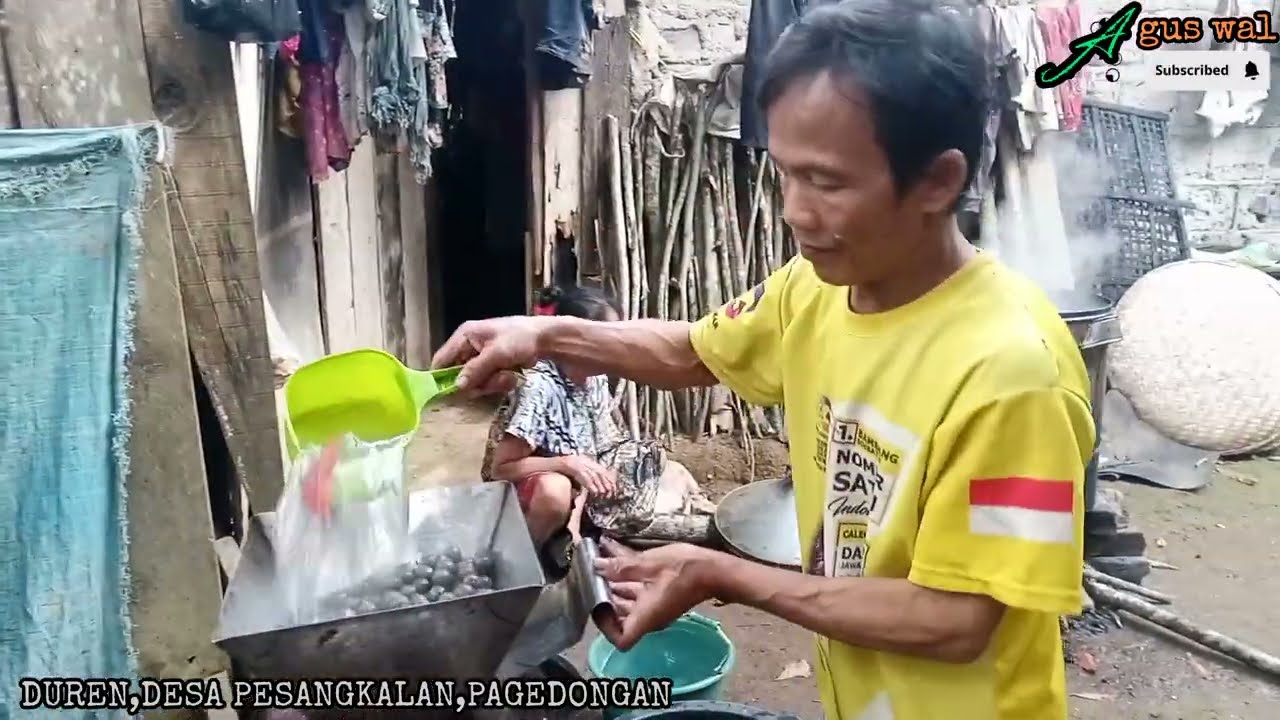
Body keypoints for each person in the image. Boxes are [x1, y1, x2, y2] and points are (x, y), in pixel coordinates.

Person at [434, 2, 1094, 719]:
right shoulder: (817, 289)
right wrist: (546, 337)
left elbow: (957, 620)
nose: (794, 212)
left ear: (937, 182)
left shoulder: (1013, 374)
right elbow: (694, 349)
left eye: (828, 183)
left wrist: (725, 574)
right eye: (785, 175)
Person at [481, 285, 701, 568]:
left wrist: (576, 520)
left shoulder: (594, 380)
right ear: (581, 339)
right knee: (554, 490)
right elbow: (502, 469)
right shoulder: (539, 387)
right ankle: (521, 564)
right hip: (525, 492)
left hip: (576, 491)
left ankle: (575, 536)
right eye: (607, 336)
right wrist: (567, 464)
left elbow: (595, 453)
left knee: (663, 470)